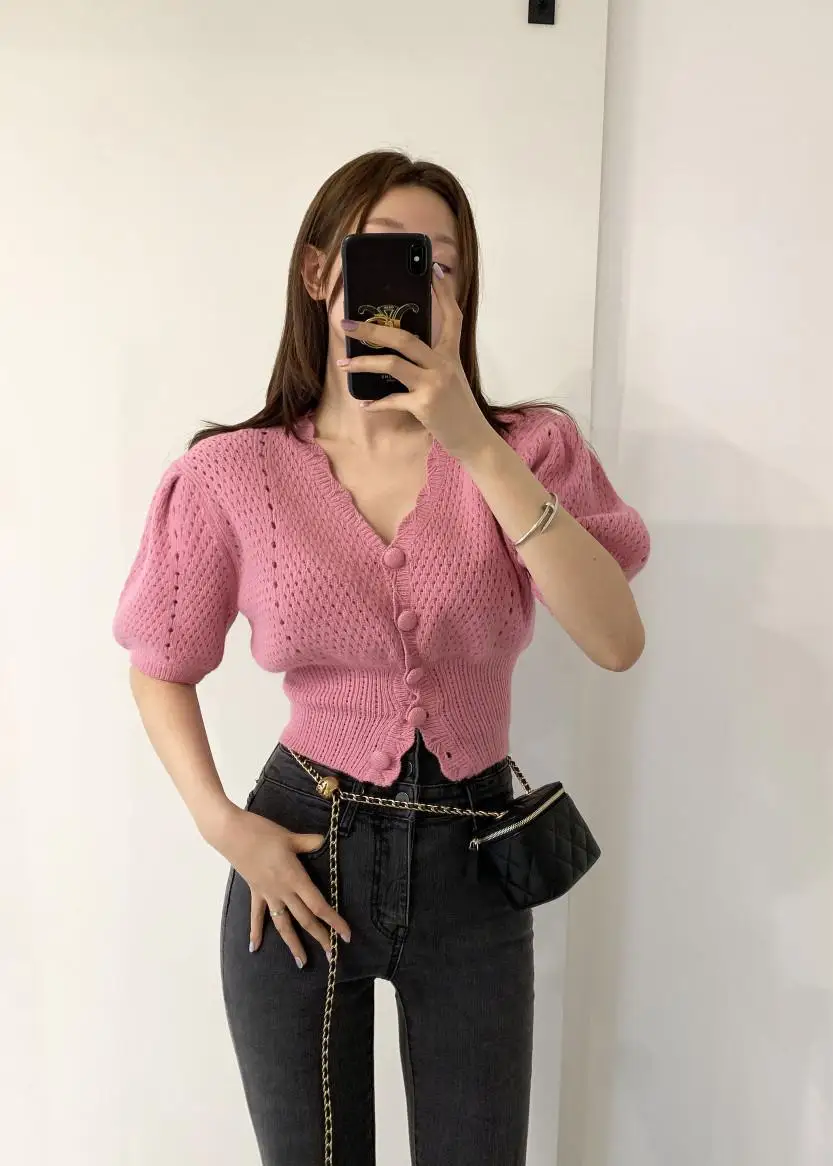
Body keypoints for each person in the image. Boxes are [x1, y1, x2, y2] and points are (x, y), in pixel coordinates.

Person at [113, 149, 651, 1166]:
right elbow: (160, 660)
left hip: (475, 869)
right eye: (393, 254)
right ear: (322, 272)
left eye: (442, 264)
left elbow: (616, 639)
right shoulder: (232, 473)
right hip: (298, 861)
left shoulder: (527, 449)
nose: (421, 280)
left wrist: (472, 440)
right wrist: (223, 823)